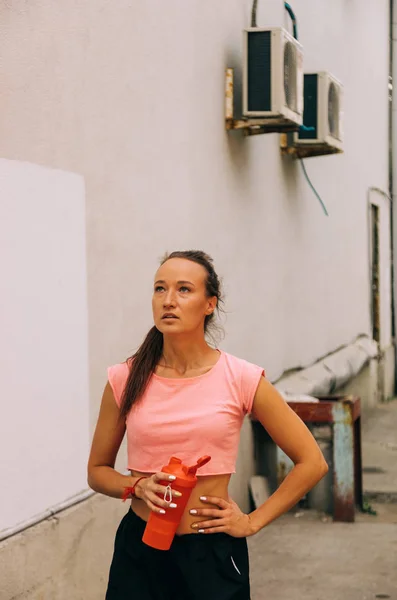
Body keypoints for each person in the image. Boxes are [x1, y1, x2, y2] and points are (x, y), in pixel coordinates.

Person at [87, 250, 328, 600]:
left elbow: (312, 462)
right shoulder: (125, 378)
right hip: (140, 552)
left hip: (212, 555)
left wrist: (252, 521)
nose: (168, 300)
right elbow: (96, 471)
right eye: (160, 289)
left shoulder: (241, 377)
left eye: (184, 289)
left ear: (209, 304)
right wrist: (136, 486)